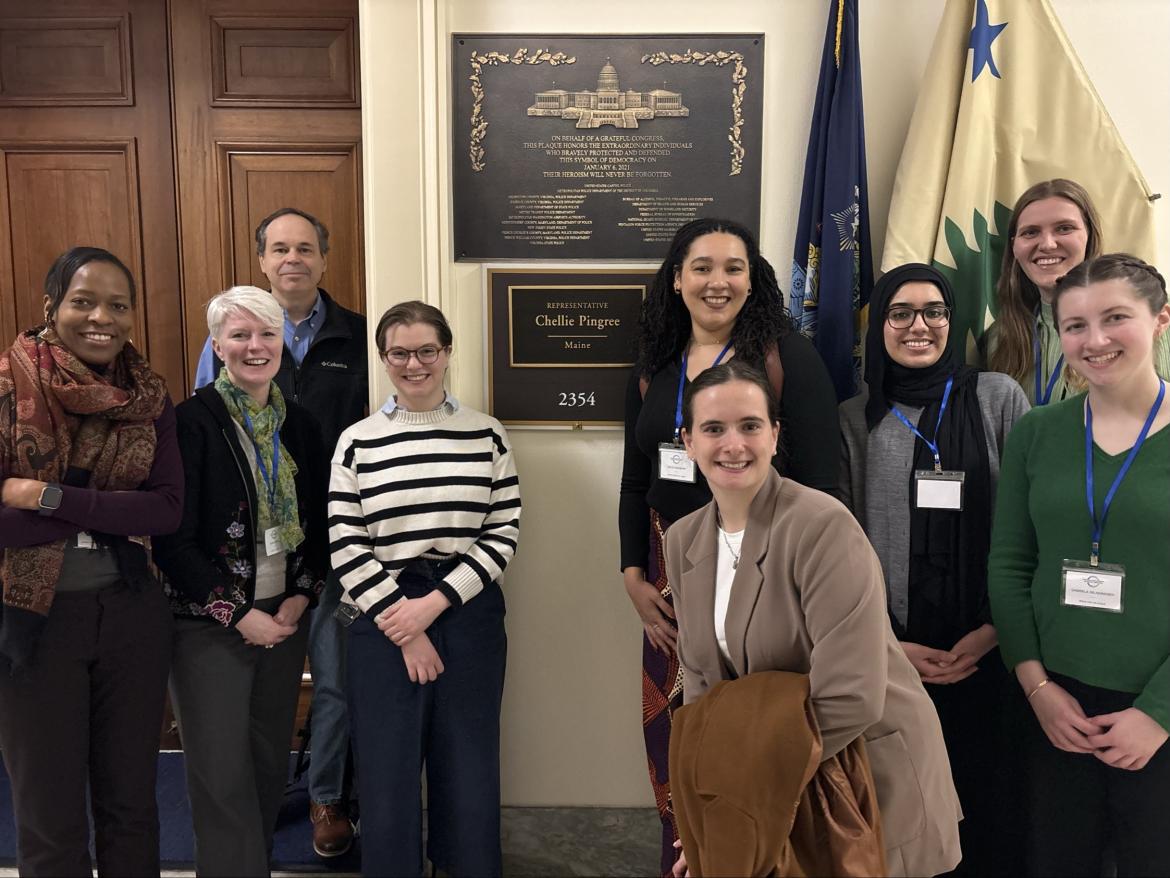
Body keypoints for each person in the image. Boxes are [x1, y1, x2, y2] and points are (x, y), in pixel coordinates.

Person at [667, 361, 962, 877]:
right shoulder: (683, 540)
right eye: (713, 429)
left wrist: (740, 797)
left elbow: (851, 695)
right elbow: (703, 691)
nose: (733, 444)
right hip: (775, 780)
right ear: (687, 441)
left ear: (775, 436)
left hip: (862, 777)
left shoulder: (822, 525)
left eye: (750, 426)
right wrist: (708, 819)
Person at [618, 217, 838, 873]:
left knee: (754, 742)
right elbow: (636, 477)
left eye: (734, 267)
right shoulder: (653, 365)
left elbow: (825, 482)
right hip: (667, 580)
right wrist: (631, 572)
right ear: (677, 279)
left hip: (766, 576)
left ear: (753, 278)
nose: (718, 281)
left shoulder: (784, 358)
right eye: (703, 267)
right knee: (678, 742)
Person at [838, 263, 1030, 875]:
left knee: (992, 808)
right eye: (900, 313)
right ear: (879, 327)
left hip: (991, 645)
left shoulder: (998, 397)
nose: (918, 326)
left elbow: (1028, 525)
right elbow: (842, 547)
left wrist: (996, 628)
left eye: (934, 312)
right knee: (906, 817)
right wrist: (890, 645)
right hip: (892, 651)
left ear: (954, 320)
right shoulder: (854, 418)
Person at [0, 246, 182, 876]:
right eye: (83, 301)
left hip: (132, 616)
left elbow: (164, 512)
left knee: (131, 801)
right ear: (51, 308)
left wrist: (51, 498)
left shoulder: (151, 398)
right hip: (32, 623)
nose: (101, 316)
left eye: (118, 304)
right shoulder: (5, 388)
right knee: (48, 811)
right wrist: (110, 509)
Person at [989, 254, 1170, 876]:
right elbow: (1011, 563)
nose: (1094, 341)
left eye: (1115, 318)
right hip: (1055, 703)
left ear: (1161, 320)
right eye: (1074, 326)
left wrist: (1158, 714)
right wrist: (1036, 687)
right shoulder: (1038, 432)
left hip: (1159, 709)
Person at [193, 207, 367, 857]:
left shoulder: (355, 337)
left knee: (332, 680)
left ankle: (325, 797)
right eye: (278, 249)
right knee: (239, 687)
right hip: (241, 551)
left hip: (330, 542)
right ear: (262, 261)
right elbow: (201, 438)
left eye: (304, 248)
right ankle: (248, 805)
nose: (291, 258)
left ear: (325, 258)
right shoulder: (235, 333)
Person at [329, 301, 521, 877]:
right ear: (384, 359)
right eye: (399, 353)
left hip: (467, 608)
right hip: (380, 614)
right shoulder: (357, 441)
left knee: (468, 763)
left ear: (446, 353)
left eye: (426, 351)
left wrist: (436, 603)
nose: (414, 364)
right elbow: (344, 539)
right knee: (386, 771)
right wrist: (403, 624)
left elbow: (504, 526)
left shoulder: (486, 434)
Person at [154, 286, 328, 876]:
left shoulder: (301, 426)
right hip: (209, 626)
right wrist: (236, 613)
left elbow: (317, 524)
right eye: (239, 335)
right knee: (220, 774)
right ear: (218, 345)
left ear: (284, 343)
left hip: (283, 620)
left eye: (267, 334)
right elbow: (171, 541)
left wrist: (301, 595)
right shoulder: (189, 424)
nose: (255, 347)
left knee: (262, 769)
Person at [985, 178, 1170, 404]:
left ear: (1090, 236)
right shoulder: (999, 338)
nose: (1047, 244)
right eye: (1030, 232)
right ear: (1014, 246)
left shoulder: (1153, 325)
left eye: (1064, 228)